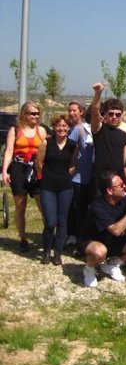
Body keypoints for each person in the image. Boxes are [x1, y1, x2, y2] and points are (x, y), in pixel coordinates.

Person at [79, 171, 126, 288]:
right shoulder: (97, 206)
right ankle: (89, 268)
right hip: (92, 242)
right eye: (120, 185)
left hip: (113, 241)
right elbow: (116, 230)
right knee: (100, 252)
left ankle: (113, 263)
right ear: (109, 190)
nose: (124, 186)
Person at [1, 101, 48, 251]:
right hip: (19, 169)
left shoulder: (41, 131)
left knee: (43, 206)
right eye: (32, 113)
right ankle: (22, 238)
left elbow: (47, 152)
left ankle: (47, 236)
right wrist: (4, 171)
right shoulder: (15, 130)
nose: (35, 116)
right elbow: (8, 151)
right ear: (24, 115)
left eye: (37, 113)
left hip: (36, 169)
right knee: (20, 207)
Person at [35, 113, 77, 265]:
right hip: (48, 187)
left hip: (66, 187)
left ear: (68, 128)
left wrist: (68, 174)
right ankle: (46, 250)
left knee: (62, 221)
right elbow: (39, 163)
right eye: (58, 126)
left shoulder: (73, 145)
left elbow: (73, 164)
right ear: (54, 127)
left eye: (64, 126)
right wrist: (47, 176)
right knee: (50, 222)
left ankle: (57, 253)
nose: (61, 128)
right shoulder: (46, 143)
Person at [90, 82, 126, 196]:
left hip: (118, 181)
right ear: (105, 114)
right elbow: (95, 112)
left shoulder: (125, 136)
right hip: (100, 180)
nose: (114, 117)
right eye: (111, 114)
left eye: (118, 114)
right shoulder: (99, 129)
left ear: (122, 115)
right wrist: (98, 93)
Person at [66, 101, 92, 246]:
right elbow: (68, 151)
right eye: (69, 110)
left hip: (91, 176)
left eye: (74, 110)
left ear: (82, 112)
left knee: (85, 208)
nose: (71, 113)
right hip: (77, 177)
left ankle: (83, 235)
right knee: (76, 207)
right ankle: (73, 234)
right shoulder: (75, 130)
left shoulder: (87, 128)